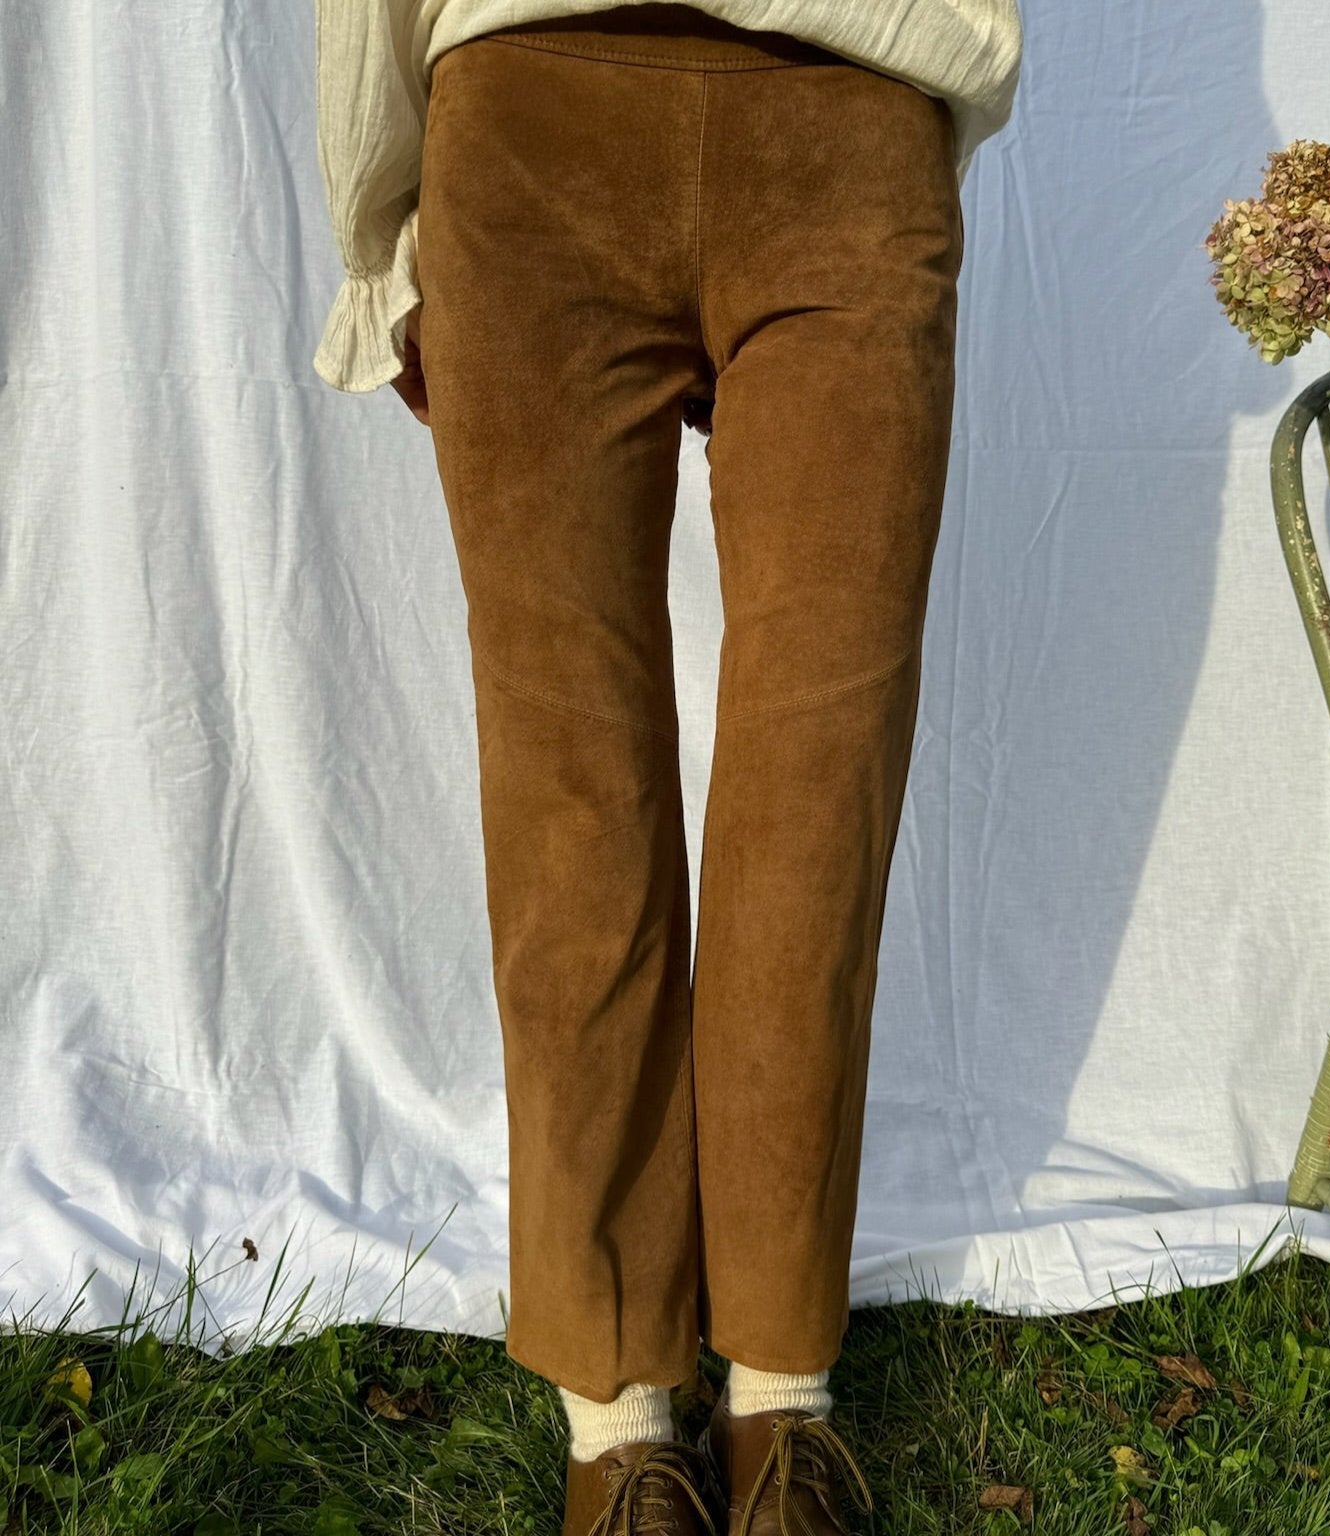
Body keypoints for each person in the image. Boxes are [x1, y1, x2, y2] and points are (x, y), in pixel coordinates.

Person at [312, 4, 1023, 1531]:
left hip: (855, 108)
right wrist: (390, 228)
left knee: (819, 786)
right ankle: (621, 1415)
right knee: (569, 786)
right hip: (530, 109)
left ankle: (779, 1398)